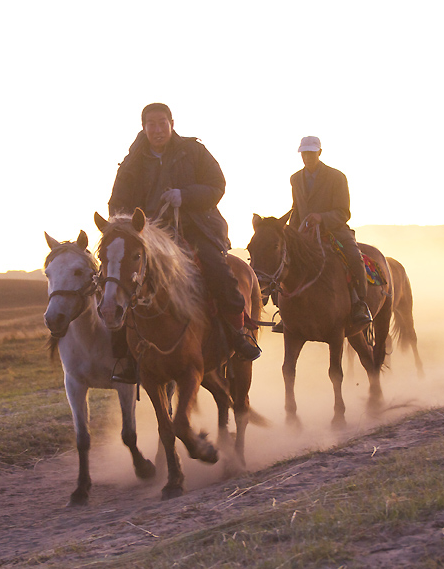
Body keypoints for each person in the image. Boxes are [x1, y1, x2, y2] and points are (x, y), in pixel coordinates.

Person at [106, 103, 261, 383]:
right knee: (118, 283)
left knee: (217, 271)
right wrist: (130, 227)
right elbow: (117, 202)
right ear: (143, 127)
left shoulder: (193, 151)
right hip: (149, 236)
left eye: (162, 122)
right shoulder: (132, 162)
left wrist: (185, 195)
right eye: (151, 124)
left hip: (197, 228)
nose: (157, 129)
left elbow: (217, 185)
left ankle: (238, 335)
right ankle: (126, 356)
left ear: (172, 123)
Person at [279, 135, 372, 334]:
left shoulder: (337, 177)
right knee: (282, 260)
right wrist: (291, 233)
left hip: (335, 230)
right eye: (304, 153)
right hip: (304, 233)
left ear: (319, 153)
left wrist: (321, 217)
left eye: (312, 153)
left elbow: (343, 212)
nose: (308, 157)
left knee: (355, 258)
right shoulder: (295, 179)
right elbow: (297, 208)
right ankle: (285, 312)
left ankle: (359, 304)